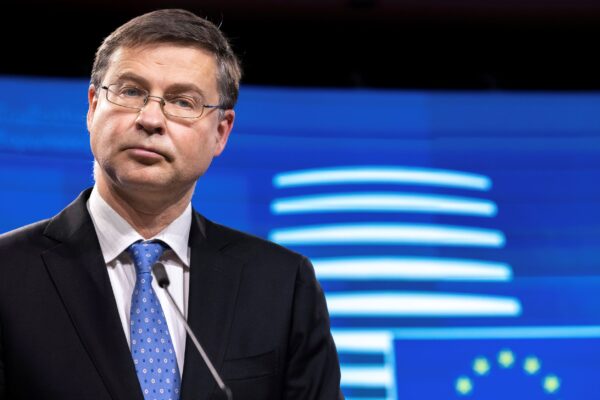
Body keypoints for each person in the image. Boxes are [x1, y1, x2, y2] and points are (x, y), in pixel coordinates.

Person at [0, 9, 343, 400]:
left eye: (183, 102)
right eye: (131, 92)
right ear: (93, 106)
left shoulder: (282, 284)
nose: (150, 119)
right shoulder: (8, 273)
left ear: (221, 132)